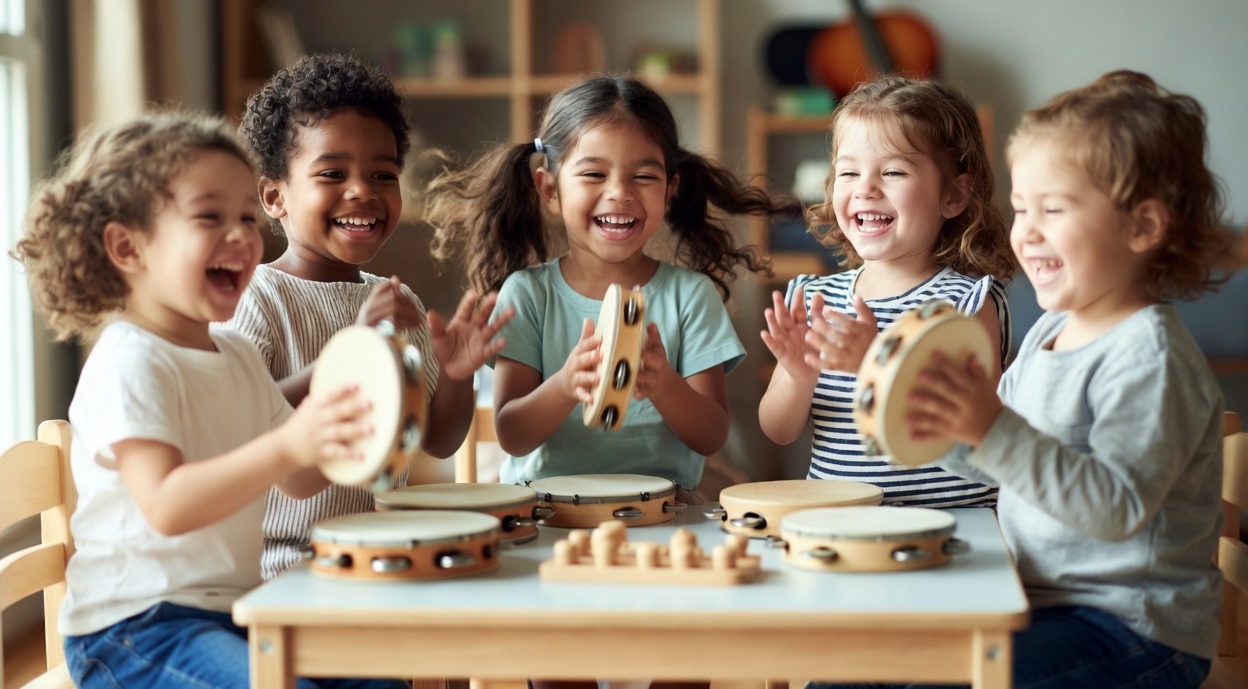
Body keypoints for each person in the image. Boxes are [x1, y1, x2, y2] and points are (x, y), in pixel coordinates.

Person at [818, 70, 1235, 689]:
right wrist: (943, 423)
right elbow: (997, 463)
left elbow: (1116, 508)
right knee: (853, 668)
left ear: (1143, 227)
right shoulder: (1049, 332)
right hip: (1031, 600)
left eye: (1054, 209)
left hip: (1132, 630)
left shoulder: (1149, 358)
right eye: (1021, 209)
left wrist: (988, 427)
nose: (1028, 232)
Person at [12, 112, 409, 689]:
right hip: (135, 629)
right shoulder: (131, 360)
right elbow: (167, 505)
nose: (242, 235)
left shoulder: (237, 356)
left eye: (247, 216)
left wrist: (344, 426)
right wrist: (290, 443)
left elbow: (298, 481)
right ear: (127, 247)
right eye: (209, 217)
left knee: (380, 681)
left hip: (237, 613)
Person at [425, 74, 786, 689]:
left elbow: (710, 435)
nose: (619, 193)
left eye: (644, 176)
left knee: (684, 666)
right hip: (549, 523)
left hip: (664, 520)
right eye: (593, 173)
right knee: (561, 668)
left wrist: (664, 385)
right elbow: (512, 433)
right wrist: (566, 383)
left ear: (670, 189)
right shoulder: (528, 294)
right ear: (549, 186)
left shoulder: (690, 296)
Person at [224, 52, 512, 579]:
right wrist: (353, 351)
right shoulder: (256, 299)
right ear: (274, 196)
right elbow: (239, 421)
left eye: (383, 174)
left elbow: (438, 439)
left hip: (379, 553)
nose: (363, 190)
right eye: (332, 173)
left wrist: (457, 373)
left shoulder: (395, 303)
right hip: (279, 566)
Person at [758, 77, 1015, 507]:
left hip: (954, 522)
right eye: (848, 172)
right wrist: (799, 378)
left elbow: (983, 434)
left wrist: (875, 363)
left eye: (893, 172)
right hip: (842, 517)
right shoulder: (812, 299)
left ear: (953, 196)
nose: (865, 188)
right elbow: (777, 430)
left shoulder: (968, 303)